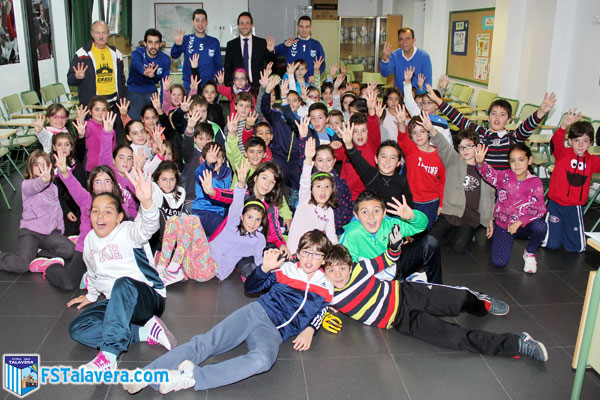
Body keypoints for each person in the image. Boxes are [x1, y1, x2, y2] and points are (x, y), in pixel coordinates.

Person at [122, 230, 333, 394]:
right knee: (206, 343)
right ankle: (145, 376)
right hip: (256, 313)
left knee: (263, 361)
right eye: (306, 251)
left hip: (274, 334)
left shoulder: (326, 286)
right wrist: (264, 270)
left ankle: (191, 377)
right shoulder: (285, 269)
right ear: (299, 252)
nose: (309, 258)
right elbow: (251, 288)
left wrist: (311, 330)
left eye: (316, 254)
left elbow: (322, 310)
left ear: (324, 259)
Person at [323, 226, 548, 362]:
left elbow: (388, 259)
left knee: (459, 300)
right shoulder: (328, 293)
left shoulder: (361, 269)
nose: (338, 274)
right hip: (402, 321)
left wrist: (394, 245)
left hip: (409, 293)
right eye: (331, 270)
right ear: (324, 272)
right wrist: (323, 318)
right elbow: (310, 304)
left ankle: (480, 301)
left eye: (342, 268)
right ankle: (518, 344)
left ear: (349, 266)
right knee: (454, 338)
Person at [68, 168, 175, 371]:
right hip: (115, 304)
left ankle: (108, 356)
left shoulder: (128, 231)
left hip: (148, 298)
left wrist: (146, 203)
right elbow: (92, 272)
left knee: (122, 283)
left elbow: (148, 226)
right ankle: (143, 332)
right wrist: (91, 295)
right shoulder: (90, 240)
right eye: (95, 211)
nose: (100, 216)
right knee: (78, 329)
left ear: (118, 217)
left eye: (108, 211)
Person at [429, 85, 556, 170]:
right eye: (493, 114)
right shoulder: (480, 133)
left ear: (508, 120)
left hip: (503, 189)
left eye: (502, 115)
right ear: (488, 117)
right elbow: (458, 119)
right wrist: (437, 100)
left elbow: (527, 127)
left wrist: (541, 112)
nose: (497, 118)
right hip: (482, 185)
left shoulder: (511, 139)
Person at [340, 190, 441, 284]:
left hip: (396, 266)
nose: (371, 217)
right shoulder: (352, 233)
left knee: (430, 242)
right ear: (356, 216)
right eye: (364, 212)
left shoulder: (389, 223)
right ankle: (407, 282)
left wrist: (412, 217)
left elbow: (420, 226)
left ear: (384, 213)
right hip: (374, 277)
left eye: (376, 211)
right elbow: (346, 265)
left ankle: (436, 287)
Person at [476, 143, 547, 273]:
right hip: (504, 225)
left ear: (529, 160)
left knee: (541, 226)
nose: (517, 164)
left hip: (524, 225)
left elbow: (539, 208)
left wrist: (520, 221)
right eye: (513, 161)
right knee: (499, 263)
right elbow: (489, 174)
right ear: (508, 162)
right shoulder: (504, 177)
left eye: (521, 160)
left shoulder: (535, 182)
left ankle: (530, 253)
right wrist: (481, 164)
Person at [0, 150, 74, 274]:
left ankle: (38, 251)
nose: (41, 168)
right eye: (37, 165)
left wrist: (60, 230)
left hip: (49, 233)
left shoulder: (53, 188)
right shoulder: (27, 185)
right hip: (30, 233)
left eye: (45, 164)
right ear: (30, 168)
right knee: (22, 265)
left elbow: (58, 210)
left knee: (70, 250)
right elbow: (36, 186)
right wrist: (43, 180)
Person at [429, 129, 495, 254]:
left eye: (469, 146)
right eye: (461, 147)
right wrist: (432, 129)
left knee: (459, 248)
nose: (465, 150)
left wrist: (489, 219)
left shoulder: (486, 169)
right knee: (431, 240)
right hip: (450, 214)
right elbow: (443, 145)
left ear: (477, 147)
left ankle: (466, 235)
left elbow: (490, 196)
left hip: (469, 218)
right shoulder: (454, 161)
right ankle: (455, 233)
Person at [544, 110, 600, 252]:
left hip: (575, 207)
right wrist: (563, 127)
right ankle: (557, 229)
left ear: (591, 143)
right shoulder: (563, 154)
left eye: (585, 141)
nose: (581, 145)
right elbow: (556, 142)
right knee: (551, 245)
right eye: (577, 140)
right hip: (556, 205)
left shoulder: (592, 161)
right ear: (570, 141)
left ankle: (565, 230)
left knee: (576, 247)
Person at [208, 159, 267, 280]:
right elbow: (237, 202)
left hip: (213, 270)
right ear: (242, 216)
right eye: (249, 217)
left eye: (257, 220)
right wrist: (241, 183)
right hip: (203, 256)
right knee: (188, 222)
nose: (253, 223)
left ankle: (174, 267)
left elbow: (259, 261)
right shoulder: (234, 222)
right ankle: (170, 265)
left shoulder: (259, 239)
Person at [287, 136, 338, 254]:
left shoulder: (329, 211)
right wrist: (309, 159)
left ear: (332, 190)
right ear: (311, 189)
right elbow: (305, 182)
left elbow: (331, 235)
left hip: (312, 257)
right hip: (294, 255)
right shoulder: (306, 201)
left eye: (327, 187)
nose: (323, 191)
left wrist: (338, 252)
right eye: (318, 186)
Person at [67, 21, 127, 115]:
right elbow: (70, 80)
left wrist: (123, 100)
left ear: (108, 34)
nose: (101, 36)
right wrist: (77, 77)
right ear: (92, 34)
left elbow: (121, 80)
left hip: (114, 106)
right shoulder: (82, 54)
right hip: (93, 108)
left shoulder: (116, 54)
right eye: (97, 33)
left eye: (104, 33)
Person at [171, 9, 222, 92]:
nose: (200, 24)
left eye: (203, 20)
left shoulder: (214, 42)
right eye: (197, 20)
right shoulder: (186, 39)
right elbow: (174, 55)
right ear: (192, 22)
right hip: (190, 84)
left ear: (207, 23)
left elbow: (218, 65)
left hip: (208, 85)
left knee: (211, 105)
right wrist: (177, 45)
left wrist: (220, 82)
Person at [126, 28, 171, 120]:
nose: (153, 46)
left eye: (156, 42)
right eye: (150, 42)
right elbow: (136, 63)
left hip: (151, 91)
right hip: (134, 91)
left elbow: (164, 83)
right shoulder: (137, 53)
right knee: (135, 122)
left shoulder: (165, 59)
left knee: (154, 121)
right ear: (145, 43)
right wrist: (144, 71)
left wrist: (162, 104)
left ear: (160, 44)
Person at [224, 11, 276, 89]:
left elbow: (272, 65)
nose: (245, 26)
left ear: (251, 25)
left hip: (257, 87)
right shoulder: (231, 45)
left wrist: (271, 51)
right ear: (238, 25)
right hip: (238, 88)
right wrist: (230, 86)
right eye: (242, 23)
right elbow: (228, 67)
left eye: (247, 23)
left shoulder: (261, 43)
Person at [275, 16, 325, 80]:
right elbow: (274, 53)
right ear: (297, 27)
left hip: (310, 83)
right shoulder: (290, 42)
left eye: (307, 27)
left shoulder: (316, 45)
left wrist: (315, 76)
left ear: (310, 28)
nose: (304, 30)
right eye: (301, 26)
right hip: (292, 82)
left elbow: (322, 64)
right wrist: (284, 45)